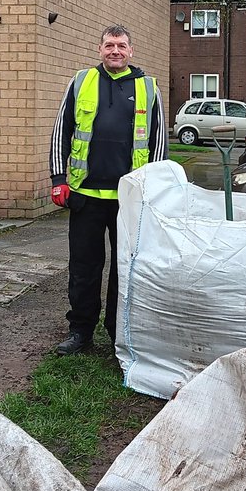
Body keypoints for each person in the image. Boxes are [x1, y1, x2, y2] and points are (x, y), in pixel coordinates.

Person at [49, 25, 167, 355]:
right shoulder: (81, 81)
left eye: (121, 45)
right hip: (84, 195)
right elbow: (61, 131)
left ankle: (118, 332)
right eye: (109, 45)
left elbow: (158, 141)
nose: (115, 51)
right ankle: (80, 331)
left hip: (129, 199)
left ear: (131, 51)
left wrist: (154, 188)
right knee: (83, 269)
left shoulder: (148, 87)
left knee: (124, 269)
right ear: (100, 49)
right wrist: (58, 179)